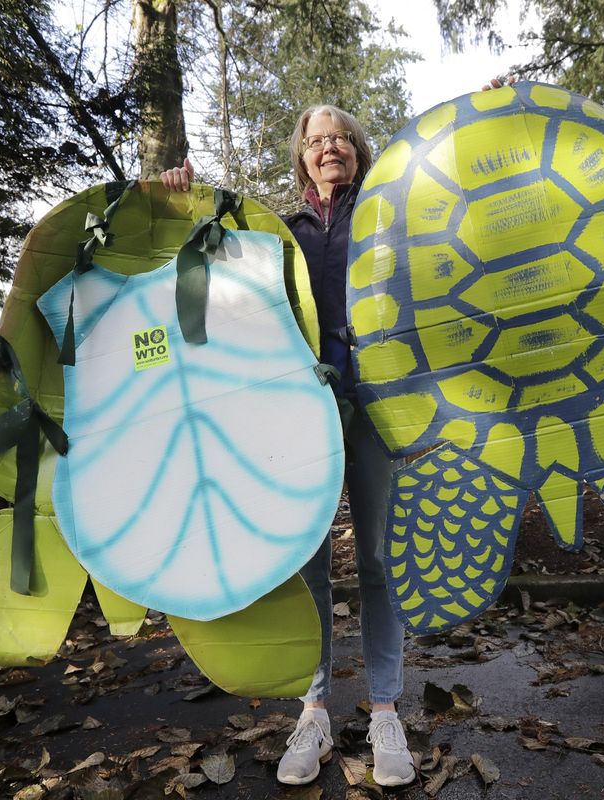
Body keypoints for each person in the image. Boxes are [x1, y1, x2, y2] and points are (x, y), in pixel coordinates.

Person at [159, 104, 415, 788]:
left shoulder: (393, 214)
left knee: (383, 557)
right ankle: (314, 711)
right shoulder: (277, 232)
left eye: (341, 138)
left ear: (358, 151)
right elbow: (218, 280)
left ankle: (387, 709)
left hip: (382, 406)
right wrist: (186, 206)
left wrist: (499, 112)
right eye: (317, 139)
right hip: (301, 411)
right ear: (302, 156)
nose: (330, 147)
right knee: (306, 565)